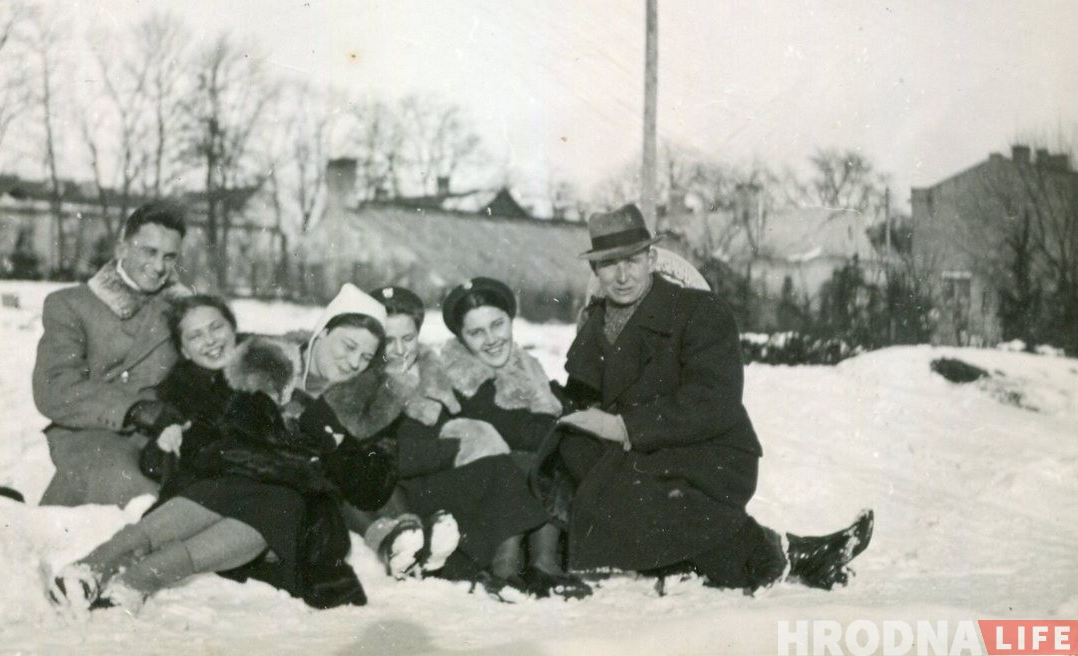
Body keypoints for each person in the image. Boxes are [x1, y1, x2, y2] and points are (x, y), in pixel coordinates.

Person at [534, 204, 874, 593]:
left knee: (632, 486)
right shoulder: (594, 325)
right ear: (596, 270)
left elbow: (714, 401)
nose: (622, 275)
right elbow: (585, 396)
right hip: (638, 455)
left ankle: (771, 557)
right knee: (576, 455)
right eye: (610, 264)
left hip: (705, 451)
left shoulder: (698, 312)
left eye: (632, 260)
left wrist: (623, 426)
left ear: (651, 259)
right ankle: (751, 558)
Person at [49, 294, 389, 612]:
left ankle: (136, 578)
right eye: (349, 346)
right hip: (230, 492)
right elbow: (216, 439)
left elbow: (369, 484)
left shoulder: (363, 404)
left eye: (365, 357)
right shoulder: (264, 365)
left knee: (279, 499)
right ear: (323, 331)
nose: (353, 362)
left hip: (289, 513)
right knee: (253, 487)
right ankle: (97, 566)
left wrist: (329, 442)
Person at [361, 285, 558, 595]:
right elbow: (378, 457)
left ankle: (509, 569)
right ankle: (503, 567)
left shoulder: (432, 376)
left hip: (438, 478)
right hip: (399, 490)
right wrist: (453, 448)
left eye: (408, 338)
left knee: (499, 466)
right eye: (388, 341)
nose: (399, 350)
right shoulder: (367, 385)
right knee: (499, 466)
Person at [437, 277, 591, 599]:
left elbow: (548, 416)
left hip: (515, 496)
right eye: (476, 332)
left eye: (497, 325)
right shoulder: (462, 378)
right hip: (474, 493)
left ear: (510, 320)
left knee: (555, 452)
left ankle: (542, 562)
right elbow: (522, 430)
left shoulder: (526, 367)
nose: (492, 339)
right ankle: (521, 563)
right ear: (461, 339)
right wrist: (558, 420)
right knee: (542, 454)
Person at [33, 201, 190, 507]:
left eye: (169, 256)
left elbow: (221, 347)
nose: (159, 267)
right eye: (149, 252)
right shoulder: (70, 304)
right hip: (90, 431)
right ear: (122, 250)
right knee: (134, 494)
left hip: (165, 436)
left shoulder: (184, 309)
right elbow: (54, 387)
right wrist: (134, 409)